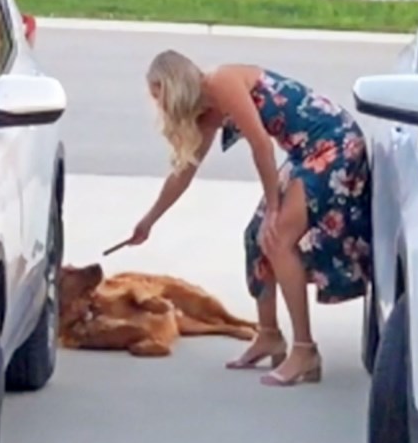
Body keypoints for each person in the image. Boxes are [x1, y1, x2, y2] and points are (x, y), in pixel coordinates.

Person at [125, 50, 372, 387]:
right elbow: (184, 172)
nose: (158, 105)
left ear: (172, 84)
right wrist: (149, 220)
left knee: (278, 238)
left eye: (158, 94)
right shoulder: (206, 113)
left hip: (334, 142)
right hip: (304, 151)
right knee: (255, 237)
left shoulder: (221, 82)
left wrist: (274, 206)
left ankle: (305, 350)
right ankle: (269, 335)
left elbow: (261, 146)